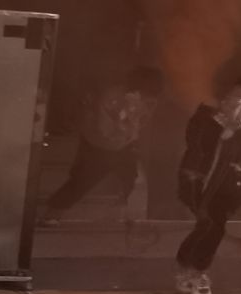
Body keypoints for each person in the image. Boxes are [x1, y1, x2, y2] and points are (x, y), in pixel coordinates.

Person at [172, 75, 241, 294]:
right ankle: (194, 270)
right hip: (199, 179)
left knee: (214, 224)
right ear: (225, 95)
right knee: (209, 223)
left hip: (229, 184)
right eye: (238, 95)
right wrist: (225, 127)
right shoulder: (206, 116)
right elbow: (197, 145)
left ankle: (190, 268)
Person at [44, 67, 164, 219]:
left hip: (122, 143)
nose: (149, 97)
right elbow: (104, 128)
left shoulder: (147, 101)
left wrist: (133, 127)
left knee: (130, 176)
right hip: (100, 144)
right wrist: (126, 127)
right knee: (84, 179)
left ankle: (123, 210)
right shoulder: (113, 97)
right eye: (147, 91)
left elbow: (140, 123)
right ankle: (53, 212)